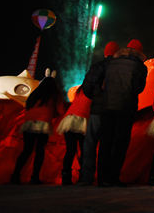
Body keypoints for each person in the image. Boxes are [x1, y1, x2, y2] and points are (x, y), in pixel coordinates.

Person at [97, 39, 147, 187]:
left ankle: (101, 177)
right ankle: (112, 176)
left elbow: (101, 82)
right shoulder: (140, 66)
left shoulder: (112, 62)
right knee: (120, 142)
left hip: (107, 105)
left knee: (106, 141)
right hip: (125, 106)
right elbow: (140, 88)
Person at [10, 69, 65, 185]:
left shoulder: (34, 94)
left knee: (26, 150)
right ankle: (34, 177)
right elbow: (60, 110)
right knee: (40, 150)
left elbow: (28, 108)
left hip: (29, 123)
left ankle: (15, 175)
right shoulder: (54, 95)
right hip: (43, 124)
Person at [77, 41, 119, 186]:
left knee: (90, 143)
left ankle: (86, 177)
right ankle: (105, 177)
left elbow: (86, 87)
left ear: (105, 52)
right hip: (112, 109)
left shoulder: (97, 66)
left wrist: (95, 97)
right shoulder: (118, 67)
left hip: (96, 110)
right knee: (108, 144)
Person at [56, 85, 91, 185]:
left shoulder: (79, 91)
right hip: (82, 119)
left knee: (70, 150)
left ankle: (66, 177)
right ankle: (83, 177)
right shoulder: (94, 90)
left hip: (69, 119)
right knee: (84, 150)